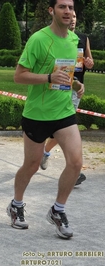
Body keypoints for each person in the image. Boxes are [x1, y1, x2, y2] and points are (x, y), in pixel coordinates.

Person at [6, 0, 84, 239]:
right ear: (52, 11)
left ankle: (58, 210)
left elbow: (67, 74)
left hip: (63, 112)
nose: (67, 11)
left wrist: (75, 84)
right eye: (62, 6)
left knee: (76, 162)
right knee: (31, 165)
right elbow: (19, 76)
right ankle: (16, 204)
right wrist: (49, 77)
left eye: (71, 7)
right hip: (37, 115)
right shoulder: (39, 39)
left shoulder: (73, 40)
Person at [40, 10, 94, 187]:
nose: (72, 19)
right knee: (64, 127)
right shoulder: (56, 37)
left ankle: (47, 152)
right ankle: (48, 153)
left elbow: (89, 61)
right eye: (69, 16)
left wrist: (88, 63)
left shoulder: (83, 38)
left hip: (76, 88)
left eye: (75, 16)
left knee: (65, 126)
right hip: (58, 85)